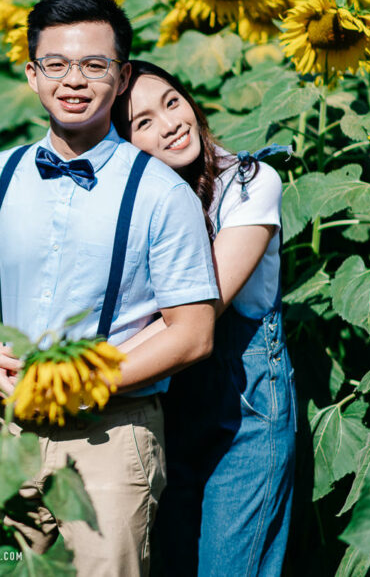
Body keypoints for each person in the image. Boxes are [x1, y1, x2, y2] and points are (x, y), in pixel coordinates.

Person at [0, 0, 219, 577]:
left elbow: (194, 333)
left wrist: (85, 382)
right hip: (6, 430)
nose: (74, 80)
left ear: (121, 79)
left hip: (110, 437)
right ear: (33, 74)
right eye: (57, 64)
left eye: (94, 65)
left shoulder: (160, 192)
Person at [110, 60, 296, 577]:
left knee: (229, 564)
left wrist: (80, 374)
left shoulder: (249, 183)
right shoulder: (135, 206)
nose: (170, 122)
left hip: (245, 401)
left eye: (172, 102)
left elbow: (202, 305)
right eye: (142, 121)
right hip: (164, 402)